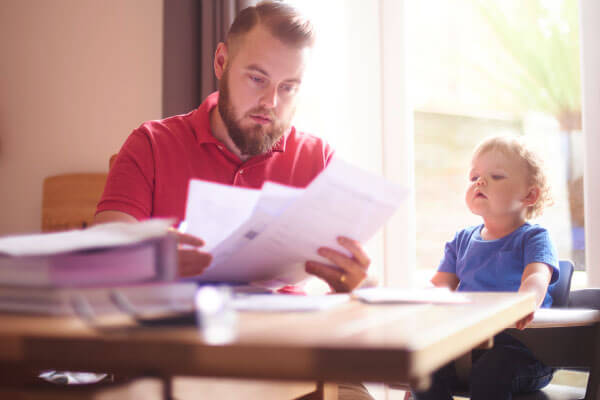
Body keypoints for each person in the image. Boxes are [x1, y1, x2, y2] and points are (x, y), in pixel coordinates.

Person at [94, 1, 370, 294]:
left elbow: (356, 275)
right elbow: (101, 257)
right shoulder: (151, 144)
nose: (270, 102)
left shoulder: (318, 160)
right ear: (221, 62)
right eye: (257, 79)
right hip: (179, 332)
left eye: (288, 87)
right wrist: (149, 259)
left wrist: (355, 283)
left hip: (284, 334)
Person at [412, 136, 559, 400]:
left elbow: (537, 277)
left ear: (530, 195)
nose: (480, 182)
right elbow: (439, 287)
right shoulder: (461, 240)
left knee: (491, 370)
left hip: (524, 350)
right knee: (422, 368)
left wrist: (525, 302)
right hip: (468, 348)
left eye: (497, 176)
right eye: (474, 177)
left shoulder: (534, 238)